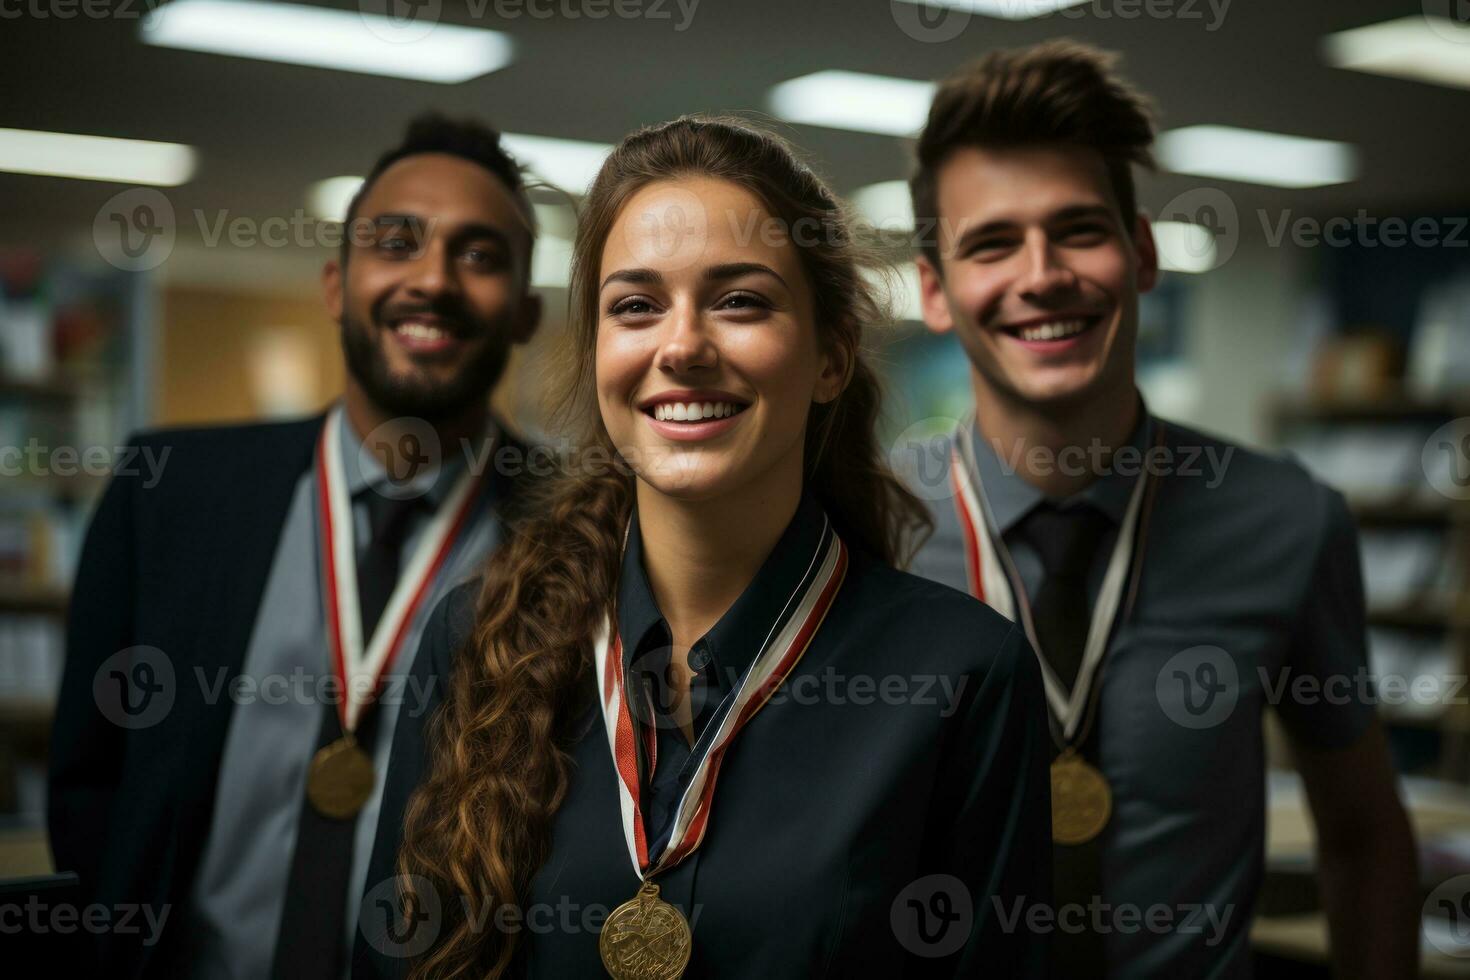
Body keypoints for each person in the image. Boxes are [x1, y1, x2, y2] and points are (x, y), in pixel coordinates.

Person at [352, 116, 1051, 980]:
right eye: (636, 306)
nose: (681, 345)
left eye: (740, 301)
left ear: (832, 356)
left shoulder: (961, 675)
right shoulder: (479, 639)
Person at [901, 40, 1418, 978]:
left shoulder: (1286, 521)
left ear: (1141, 253)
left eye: (1079, 229)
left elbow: (1365, 838)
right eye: (990, 243)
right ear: (935, 290)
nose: (1042, 273)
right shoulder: (866, 525)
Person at [47, 113, 544, 980]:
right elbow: (89, 779)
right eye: (397, 243)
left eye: (480, 254)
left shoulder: (579, 528)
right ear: (334, 284)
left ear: (527, 313)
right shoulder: (171, 493)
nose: (433, 279)